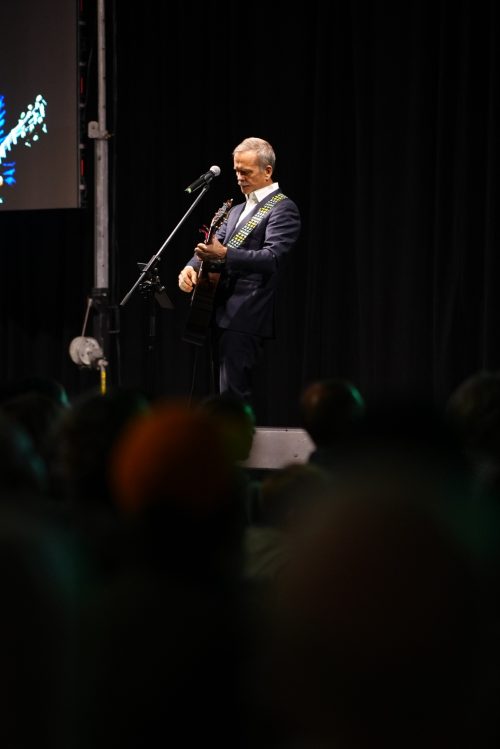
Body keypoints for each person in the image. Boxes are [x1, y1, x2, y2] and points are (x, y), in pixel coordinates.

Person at [178, 137, 301, 409]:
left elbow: (272, 258)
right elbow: (213, 245)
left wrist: (225, 255)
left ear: (267, 171)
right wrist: (191, 267)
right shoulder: (235, 210)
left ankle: (242, 450)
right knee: (217, 395)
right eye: (236, 171)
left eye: (246, 171)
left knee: (234, 394)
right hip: (217, 309)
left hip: (246, 311)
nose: (239, 177)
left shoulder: (282, 208)